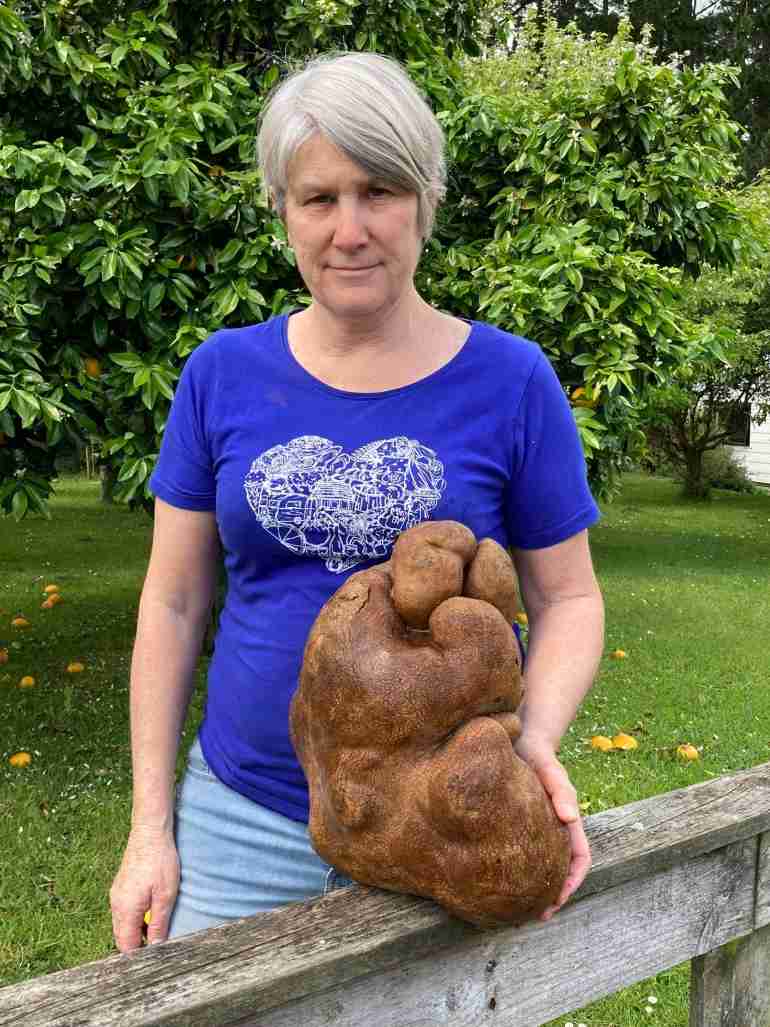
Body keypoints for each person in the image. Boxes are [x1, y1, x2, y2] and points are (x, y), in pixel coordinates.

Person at [109, 51, 605, 951]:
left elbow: (568, 596)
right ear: (282, 211)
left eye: (379, 190)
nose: (350, 229)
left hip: (446, 828)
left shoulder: (513, 379)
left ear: (426, 200)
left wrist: (531, 741)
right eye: (319, 197)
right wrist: (151, 827)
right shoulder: (220, 374)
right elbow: (173, 602)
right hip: (244, 819)